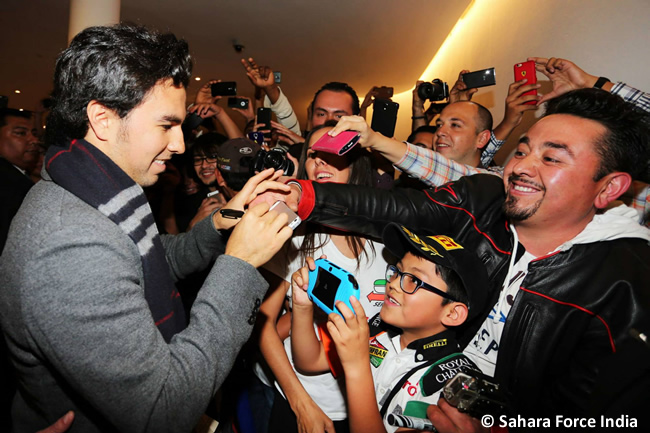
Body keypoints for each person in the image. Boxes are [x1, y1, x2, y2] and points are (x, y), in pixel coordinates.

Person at [256, 88, 650, 429]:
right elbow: (402, 209)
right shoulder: (485, 200)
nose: (521, 167)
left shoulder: (625, 289)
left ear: (609, 187)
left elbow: (609, 418)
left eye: (552, 159)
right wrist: (305, 198)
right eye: (523, 150)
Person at [0, 24, 294, 433]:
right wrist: (239, 264)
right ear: (102, 118)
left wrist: (223, 222)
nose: (178, 144)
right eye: (166, 125)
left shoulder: (96, 185)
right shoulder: (70, 241)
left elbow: (150, 259)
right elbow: (163, 411)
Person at [251, 122, 389, 433]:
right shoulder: (290, 233)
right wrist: (300, 403)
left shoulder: (387, 235)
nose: (319, 162)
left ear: (358, 164)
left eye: (331, 152)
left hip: (370, 404)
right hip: (306, 402)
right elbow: (263, 324)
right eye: (312, 154)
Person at [290, 223, 488, 433]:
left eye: (413, 280)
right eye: (397, 271)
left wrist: (357, 367)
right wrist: (302, 307)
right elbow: (309, 362)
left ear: (452, 313)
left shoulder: (454, 390)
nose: (393, 283)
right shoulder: (379, 328)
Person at [0, 108, 39, 252]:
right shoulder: (8, 183)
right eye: (21, 133)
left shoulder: (17, 176)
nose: (34, 141)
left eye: (34, 134)